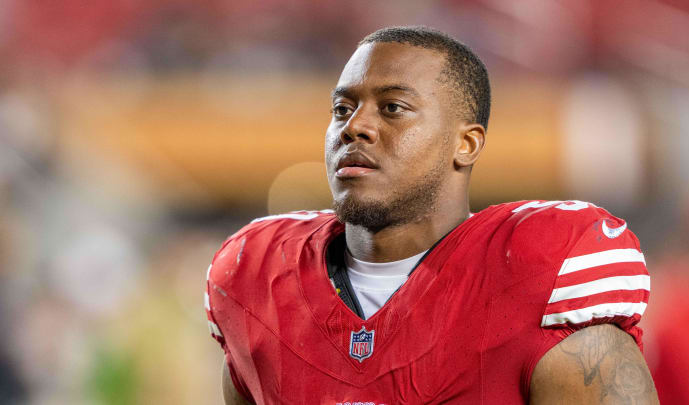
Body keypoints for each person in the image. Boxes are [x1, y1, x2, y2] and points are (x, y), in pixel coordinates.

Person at [205, 26, 658, 404]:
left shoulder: (538, 275)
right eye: (342, 108)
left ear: (467, 143)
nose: (354, 126)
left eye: (392, 108)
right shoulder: (258, 277)